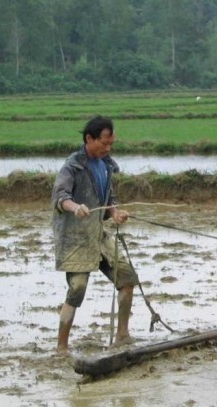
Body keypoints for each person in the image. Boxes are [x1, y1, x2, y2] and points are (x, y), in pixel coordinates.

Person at [51, 115, 138, 352]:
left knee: (128, 278)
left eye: (111, 144)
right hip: (76, 237)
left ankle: (122, 335)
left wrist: (115, 213)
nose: (108, 148)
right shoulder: (73, 166)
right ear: (89, 139)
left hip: (98, 234)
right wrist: (75, 207)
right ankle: (61, 347)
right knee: (77, 288)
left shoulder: (106, 165)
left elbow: (107, 199)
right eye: (104, 143)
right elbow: (60, 197)